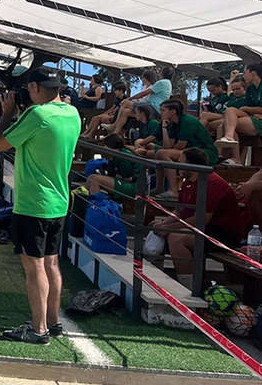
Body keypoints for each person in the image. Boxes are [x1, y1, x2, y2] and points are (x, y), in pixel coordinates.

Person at [0, 68, 80, 344]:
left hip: (33, 203)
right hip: (59, 200)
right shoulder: (72, 113)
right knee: (52, 263)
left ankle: (38, 328)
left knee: (34, 267)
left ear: (34, 87)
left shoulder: (36, 115)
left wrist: (7, 112)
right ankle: (53, 322)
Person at [151, 148, 244, 289]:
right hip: (203, 228)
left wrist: (168, 228)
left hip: (221, 234)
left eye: (181, 162)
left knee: (177, 238)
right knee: (156, 226)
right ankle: (153, 277)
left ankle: (188, 289)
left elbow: (201, 219)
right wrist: (164, 224)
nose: (178, 166)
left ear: (191, 165)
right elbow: (180, 210)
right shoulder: (187, 182)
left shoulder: (212, 183)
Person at [156, 99, 218, 197]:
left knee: (162, 153)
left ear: (173, 111)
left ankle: (173, 190)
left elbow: (180, 145)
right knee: (159, 153)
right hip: (189, 151)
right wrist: (164, 128)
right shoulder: (172, 124)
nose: (161, 113)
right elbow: (167, 146)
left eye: (163, 110)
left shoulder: (188, 121)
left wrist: (169, 149)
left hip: (204, 153)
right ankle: (159, 189)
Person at [112, 68, 173, 135]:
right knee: (126, 112)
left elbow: (144, 94)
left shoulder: (162, 82)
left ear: (162, 73)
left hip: (152, 107)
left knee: (125, 103)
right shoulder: (169, 83)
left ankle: (114, 125)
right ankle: (116, 133)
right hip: (155, 109)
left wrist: (130, 98)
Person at [216, 63, 262, 149]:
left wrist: (246, 108)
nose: (243, 76)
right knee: (230, 111)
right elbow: (249, 107)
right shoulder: (250, 88)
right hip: (253, 116)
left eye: (245, 73)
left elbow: (248, 108)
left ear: (253, 73)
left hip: (259, 120)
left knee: (224, 126)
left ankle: (231, 156)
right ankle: (229, 138)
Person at [86, 134, 142, 200]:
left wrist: (117, 176)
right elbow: (112, 173)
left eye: (105, 145)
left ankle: (98, 206)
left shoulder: (123, 157)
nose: (103, 147)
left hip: (134, 187)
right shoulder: (113, 156)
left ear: (111, 146)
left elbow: (128, 178)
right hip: (124, 182)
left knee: (95, 180)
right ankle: (91, 203)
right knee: (91, 177)